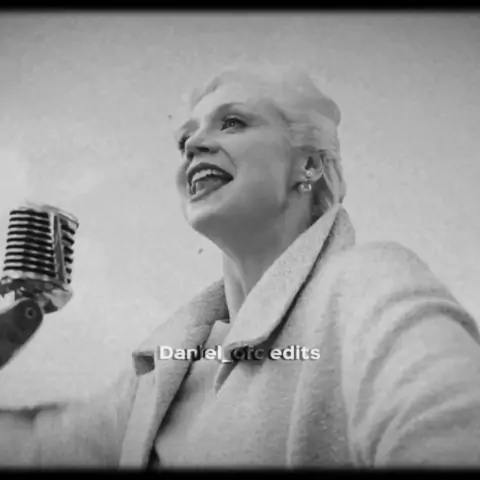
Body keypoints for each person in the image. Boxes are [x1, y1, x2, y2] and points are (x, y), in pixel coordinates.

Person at [2, 64, 480, 468]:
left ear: (309, 166)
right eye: (185, 139)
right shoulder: (164, 370)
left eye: (232, 123)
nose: (195, 144)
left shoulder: (367, 287)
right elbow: (32, 450)